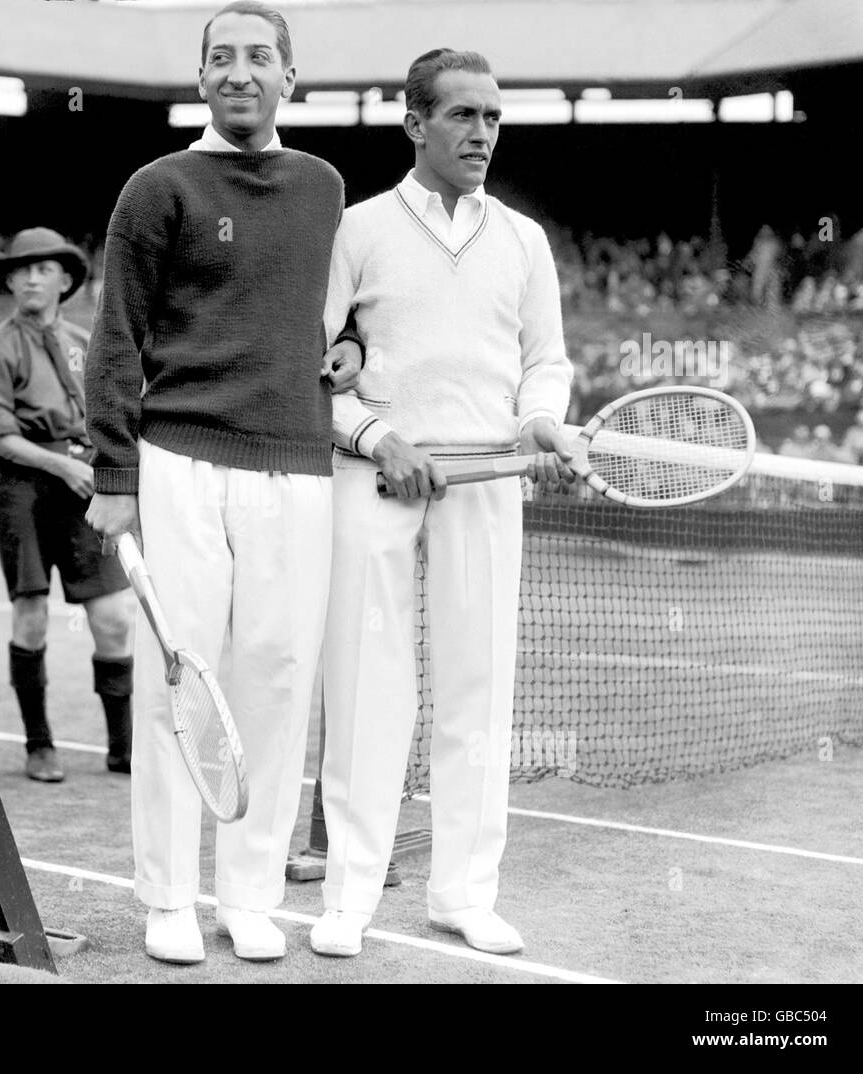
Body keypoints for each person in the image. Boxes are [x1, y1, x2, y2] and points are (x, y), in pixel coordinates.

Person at [84, 1, 360, 965]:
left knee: (279, 681)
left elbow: (342, 314)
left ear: (291, 75)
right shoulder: (156, 187)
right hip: (179, 462)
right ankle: (167, 898)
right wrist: (114, 473)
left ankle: (250, 895)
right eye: (221, 58)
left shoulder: (326, 188)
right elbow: (116, 335)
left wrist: (354, 346)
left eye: (259, 57)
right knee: (181, 686)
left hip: (299, 466)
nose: (240, 72)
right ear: (201, 78)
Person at [310, 48, 574, 959]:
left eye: (494, 118)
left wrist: (540, 421)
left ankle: (464, 893)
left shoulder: (524, 241)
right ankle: (348, 897)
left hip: (490, 479)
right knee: (367, 688)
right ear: (416, 124)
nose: (482, 133)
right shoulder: (355, 229)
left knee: (478, 687)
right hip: (376, 478)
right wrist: (380, 440)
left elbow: (547, 360)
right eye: (463, 116)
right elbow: (315, 366)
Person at [0, 227, 135, 783]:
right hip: (24, 489)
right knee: (31, 614)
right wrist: (62, 465)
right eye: (22, 269)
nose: (33, 277)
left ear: (65, 281)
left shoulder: (85, 343)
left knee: (112, 617)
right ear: (10, 281)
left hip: (85, 485)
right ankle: (40, 745)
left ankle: (123, 747)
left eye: (45, 269)